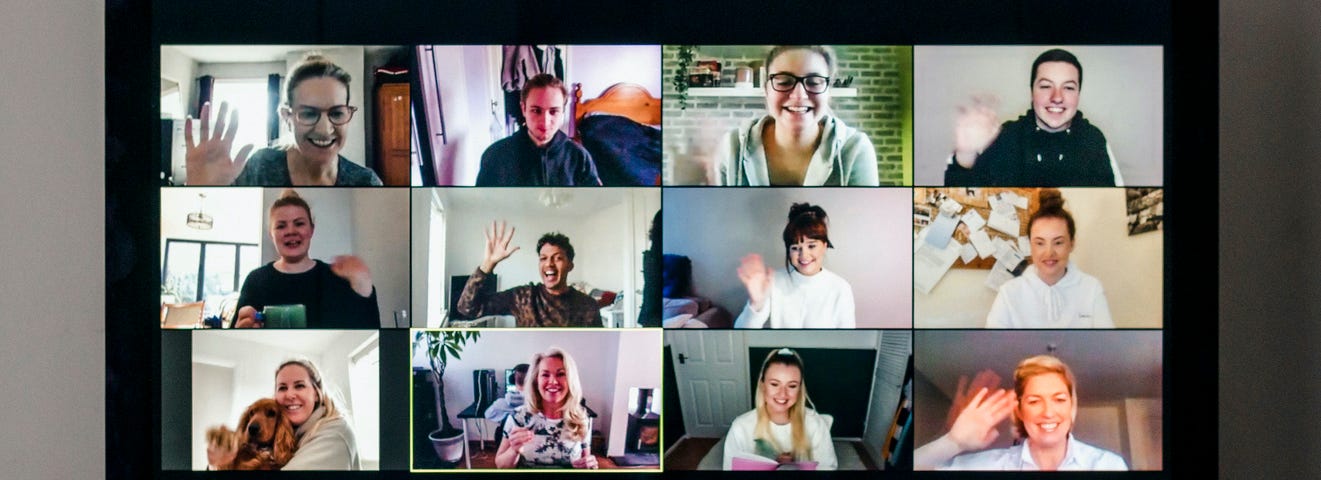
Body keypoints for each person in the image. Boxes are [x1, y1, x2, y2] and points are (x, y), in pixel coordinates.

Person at [185, 54, 384, 186]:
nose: (324, 129)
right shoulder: (259, 166)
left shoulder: (367, 182)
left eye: (337, 113)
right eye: (308, 113)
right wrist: (202, 189)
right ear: (286, 117)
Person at [914, 355, 1128, 471]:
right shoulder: (991, 466)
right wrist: (954, 442)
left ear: (1071, 407)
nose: (1048, 412)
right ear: (1020, 411)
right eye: (1034, 401)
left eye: (1059, 399)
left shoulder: (1108, 465)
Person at [944, 48, 1122, 187]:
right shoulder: (1004, 136)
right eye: (1045, 86)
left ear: (1078, 94)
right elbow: (958, 195)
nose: (1057, 97)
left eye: (1068, 87)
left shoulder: (1094, 140)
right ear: (1032, 92)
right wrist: (965, 155)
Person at [713, 45, 879, 186]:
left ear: (828, 92)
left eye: (814, 82)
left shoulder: (856, 149)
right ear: (766, 90)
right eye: (784, 82)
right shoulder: (731, 147)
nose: (799, 95)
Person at [234, 189, 379, 328]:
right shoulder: (256, 280)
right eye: (281, 226)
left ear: (311, 229)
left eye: (299, 223)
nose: (291, 231)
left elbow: (367, 325)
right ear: (271, 235)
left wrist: (364, 285)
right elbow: (238, 331)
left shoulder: (336, 278)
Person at [985, 189, 1114, 328]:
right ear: (1030, 245)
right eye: (1040, 243)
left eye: (1058, 242)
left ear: (1072, 244)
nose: (1049, 253)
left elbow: (1106, 345)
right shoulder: (1008, 293)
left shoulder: (1092, 289)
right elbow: (993, 346)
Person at [208, 359, 361, 470]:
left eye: (299, 386)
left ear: (316, 393)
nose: (290, 394)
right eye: (282, 388)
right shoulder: (297, 430)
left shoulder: (334, 434)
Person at [455, 221, 602, 327]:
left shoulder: (588, 306)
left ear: (570, 265)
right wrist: (487, 265)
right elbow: (466, 308)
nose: (549, 264)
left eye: (557, 258)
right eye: (543, 258)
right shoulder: (522, 297)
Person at [734, 203, 856, 328]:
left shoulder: (841, 288)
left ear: (824, 246)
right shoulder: (773, 281)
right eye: (795, 248)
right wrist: (756, 303)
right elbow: (740, 330)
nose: (804, 255)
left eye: (811, 246)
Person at [475, 73, 602, 186]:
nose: (545, 121)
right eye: (536, 110)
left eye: (553, 111)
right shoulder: (495, 156)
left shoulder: (579, 157)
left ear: (563, 111)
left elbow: (593, 204)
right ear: (524, 109)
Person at [723, 348, 837, 470]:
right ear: (763, 385)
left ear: (799, 389)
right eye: (774, 384)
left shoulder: (815, 424)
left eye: (792, 386)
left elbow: (828, 467)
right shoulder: (740, 427)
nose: (783, 394)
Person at [495, 347, 598, 469]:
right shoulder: (518, 418)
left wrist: (591, 466)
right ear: (536, 381)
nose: (553, 381)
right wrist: (514, 450)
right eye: (545, 375)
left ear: (571, 380)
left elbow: (586, 459)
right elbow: (500, 465)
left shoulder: (581, 419)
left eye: (561, 374)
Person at [485, 363, 530, 446]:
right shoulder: (540, 403)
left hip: (507, 447)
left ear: (512, 380)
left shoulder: (501, 403)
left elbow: (488, 414)